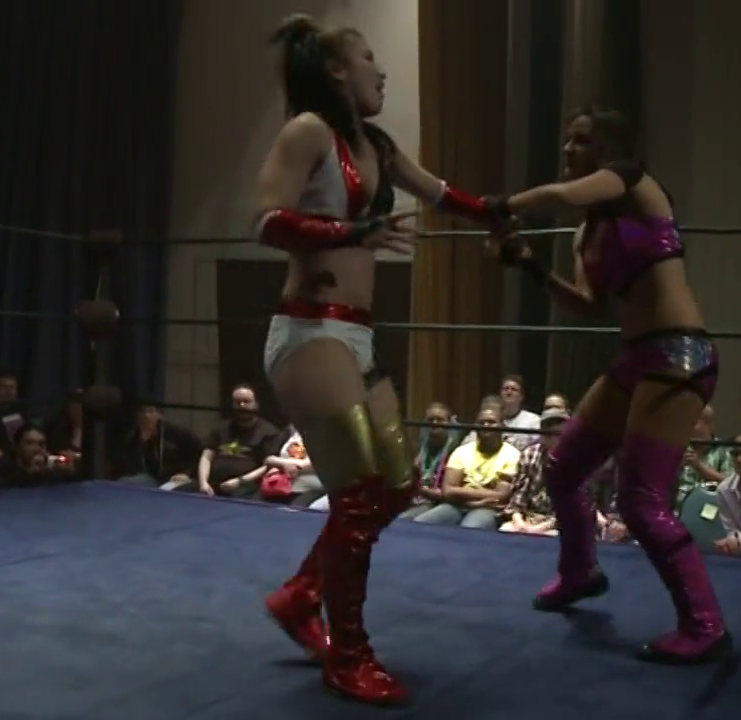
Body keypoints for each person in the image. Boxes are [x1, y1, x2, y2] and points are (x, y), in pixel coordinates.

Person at [254, 14, 505, 706]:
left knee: (397, 486)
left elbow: (442, 193)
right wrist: (352, 230)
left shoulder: (380, 146)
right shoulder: (308, 132)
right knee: (360, 493)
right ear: (337, 70)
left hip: (355, 336)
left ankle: (301, 594)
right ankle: (348, 657)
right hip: (310, 330)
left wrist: (499, 212)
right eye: (369, 57)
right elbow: (267, 219)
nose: (382, 70)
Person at [489, 106, 732, 664]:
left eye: (581, 141)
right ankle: (580, 572)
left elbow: (564, 194)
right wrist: (529, 265)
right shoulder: (588, 232)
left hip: (679, 353)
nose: (568, 150)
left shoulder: (637, 185)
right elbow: (590, 304)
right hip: (636, 357)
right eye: (567, 140)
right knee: (562, 466)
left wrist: (502, 206)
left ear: (609, 148)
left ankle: (705, 626)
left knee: (640, 499)